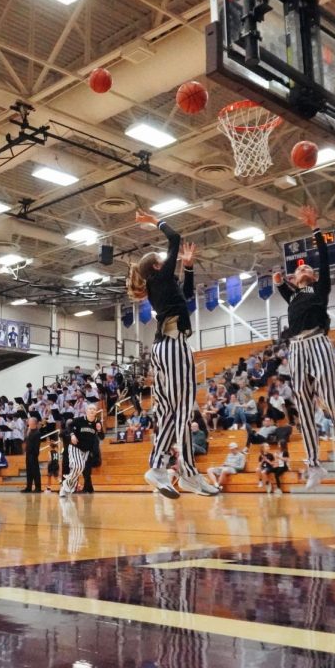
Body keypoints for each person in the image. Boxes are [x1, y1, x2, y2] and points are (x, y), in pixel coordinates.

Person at [127, 211, 217, 498]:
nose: (167, 259)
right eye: (162, 258)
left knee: (167, 412)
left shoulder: (163, 284)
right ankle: (188, 473)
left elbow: (187, 296)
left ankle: (157, 468)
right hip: (173, 345)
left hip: (164, 348)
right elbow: (175, 238)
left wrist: (188, 267)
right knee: (183, 409)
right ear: (156, 264)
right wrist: (157, 222)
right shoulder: (159, 278)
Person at [274, 205, 335, 489]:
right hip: (296, 350)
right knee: (304, 407)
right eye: (299, 269)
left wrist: (315, 229)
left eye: (306, 267)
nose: (303, 268)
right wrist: (278, 284)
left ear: (314, 276)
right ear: (295, 279)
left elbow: (324, 258)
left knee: (333, 399)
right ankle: (314, 465)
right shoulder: (295, 296)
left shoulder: (320, 289)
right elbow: (285, 291)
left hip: (318, 342)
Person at [59, 403, 101, 498]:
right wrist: (72, 435)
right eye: (90, 408)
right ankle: (66, 486)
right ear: (86, 411)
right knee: (78, 466)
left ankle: (65, 486)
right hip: (75, 447)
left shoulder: (97, 422)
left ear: (96, 412)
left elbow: (101, 436)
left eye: (94, 409)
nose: (92, 410)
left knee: (79, 469)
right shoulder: (79, 420)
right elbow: (69, 426)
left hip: (86, 450)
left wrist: (100, 430)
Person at [21, 413, 43, 493]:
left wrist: (34, 454)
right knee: (29, 471)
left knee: (35, 471)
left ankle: (38, 487)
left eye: (29, 421)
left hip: (33, 454)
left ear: (33, 423)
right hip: (28, 454)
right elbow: (27, 441)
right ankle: (28, 487)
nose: (28, 423)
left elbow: (36, 445)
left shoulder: (37, 433)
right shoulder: (29, 431)